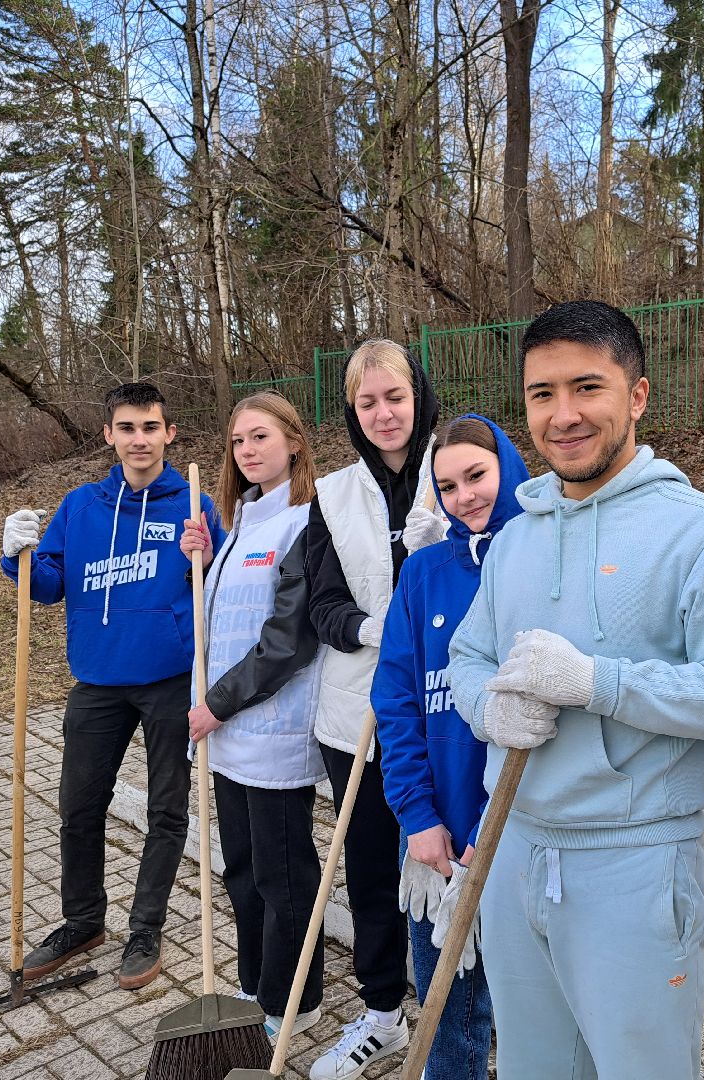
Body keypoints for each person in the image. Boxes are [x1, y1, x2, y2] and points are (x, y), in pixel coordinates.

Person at [447, 300, 704, 1079]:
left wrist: (599, 683)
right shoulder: (515, 538)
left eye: (586, 387)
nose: (563, 415)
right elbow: (468, 656)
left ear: (636, 396)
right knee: (533, 1067)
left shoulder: (702, 532)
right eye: (541, 394)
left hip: (632, 862)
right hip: (511, 847)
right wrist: (487, 705)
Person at [0, 381, 218, 990]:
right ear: (109, 435)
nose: (139, 439)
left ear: (168, 433)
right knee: (78, 806)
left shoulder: (193, 502)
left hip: (170, 680)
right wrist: (17, 554)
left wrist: (208, 551)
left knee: (166, 810)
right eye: (127, 428)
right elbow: (45, 585)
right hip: (96, 681)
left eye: (150, 427)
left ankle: (145, 929)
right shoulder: (81, 507)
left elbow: (220, 577)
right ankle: (82, 921)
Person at [371, 414, 530, 1080]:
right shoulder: (425, 572)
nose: (465, 496)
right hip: (437, 843)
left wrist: (498, 831)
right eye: (448, 485)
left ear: (508, 469)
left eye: (477, 476)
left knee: (532, 1014)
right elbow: (397, 697)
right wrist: (417, 817)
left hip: (524, 833)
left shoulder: (538, 558)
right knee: (448, 1014)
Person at [303, 338, 440, 1079]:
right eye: (367, 402)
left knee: (448, 861)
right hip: (357, 715)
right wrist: (370, 627)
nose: (384, 413)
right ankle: (384, 1014)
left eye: (395, 396)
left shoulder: (456, 470)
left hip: (447, 715)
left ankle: (460, 1012)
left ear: (418, 395)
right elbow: (321, 604)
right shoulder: (331, 494)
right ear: (353, 412)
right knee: (372, 869)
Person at [179, 391, 326, 1038]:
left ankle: (291, 1001)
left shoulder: (306, 522)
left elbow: (287, 640)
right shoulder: (239, 523)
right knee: (240, 872)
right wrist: (207, 562)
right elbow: (226, 623)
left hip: (272, 734)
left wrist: (216, 704)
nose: (248, 451)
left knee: (282, 878)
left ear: (294, 442)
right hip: (226, 736)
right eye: (239, 442)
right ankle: (253, 983)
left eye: (261, 437)